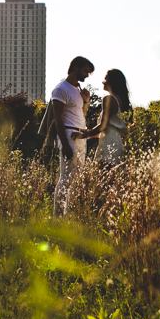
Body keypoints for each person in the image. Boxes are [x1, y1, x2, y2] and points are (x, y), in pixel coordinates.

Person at [51, 56, 93, 215]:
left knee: (76, 178)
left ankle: (68, 216)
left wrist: (86, 102)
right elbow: (58, 118)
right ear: (75, 68)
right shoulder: (61, 89)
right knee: (66, 178)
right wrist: (65, 144)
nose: (87, 75)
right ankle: (58, 217)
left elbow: (81, 115)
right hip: (69, 135)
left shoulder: (77, 90)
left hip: (80, 135)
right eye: (86, 71)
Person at [74, 68, 130, 165]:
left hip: (108, 144)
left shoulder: (109, 99)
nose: (103, 82)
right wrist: (93, 134)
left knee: (104, 177)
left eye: (105, 79)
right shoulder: (121, 100)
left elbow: (103, 125)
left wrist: (84, 135)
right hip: (116, 143)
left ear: (112, 81)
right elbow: (110, 127)